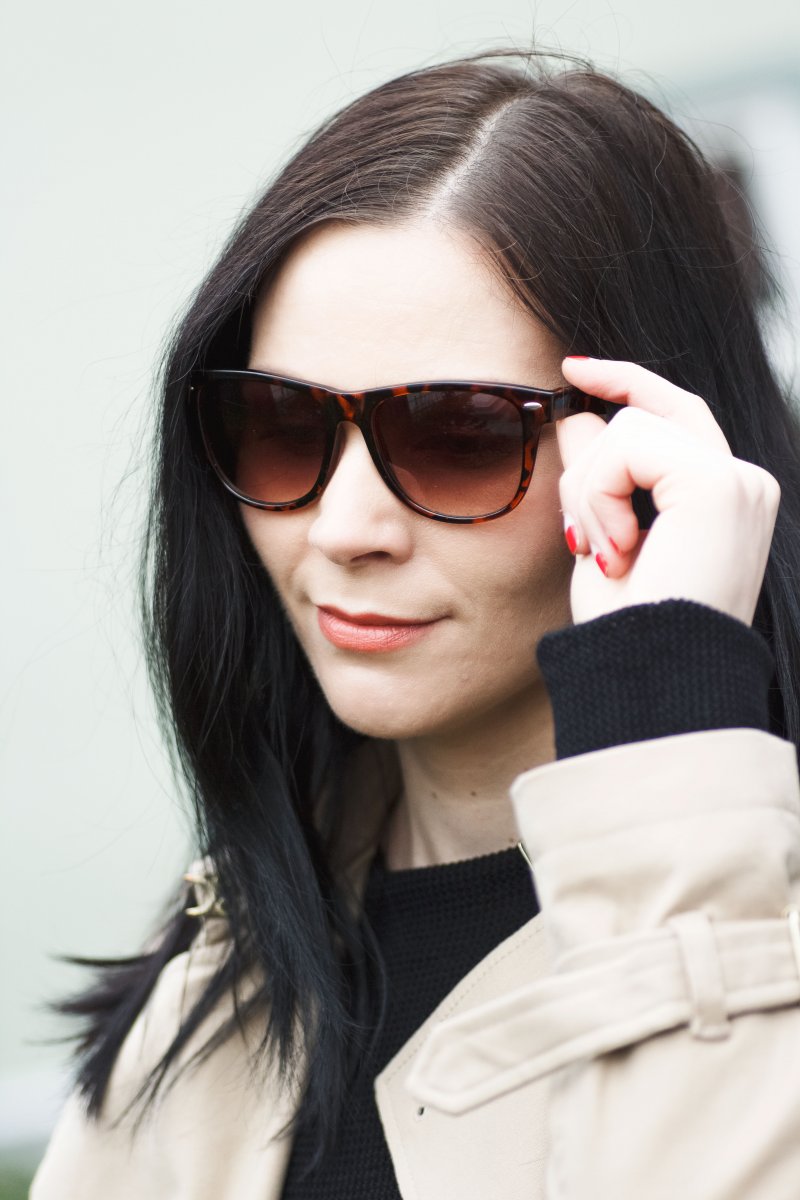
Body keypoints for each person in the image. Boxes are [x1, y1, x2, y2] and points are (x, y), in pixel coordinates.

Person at [30, 45, 800, 1199]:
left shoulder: (755, 930)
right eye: (280, 425)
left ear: (652, 459)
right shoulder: (221, 966)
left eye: (457, 435)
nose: (342, 529)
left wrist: (659, 713)